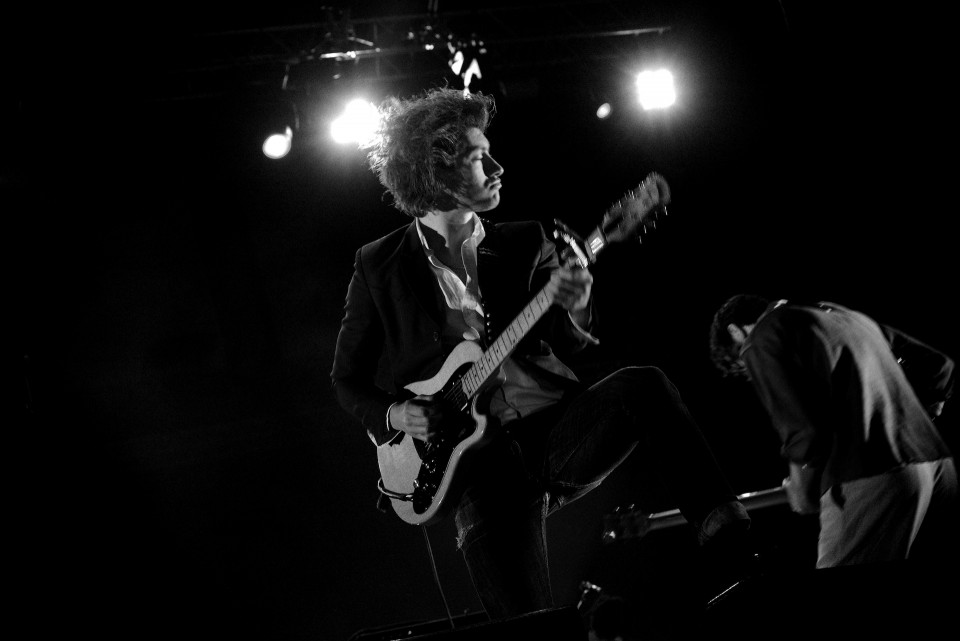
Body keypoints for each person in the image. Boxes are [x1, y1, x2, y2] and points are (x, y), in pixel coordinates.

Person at [330, 86, 757, 620]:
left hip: (556, 434)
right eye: (479, 157)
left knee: (644, 384)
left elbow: (569, 341)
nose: (498, 167)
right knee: (528, 631)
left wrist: (576, 307)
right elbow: (346, 380)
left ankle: (730, 539)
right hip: (476, 473)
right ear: (435, 171)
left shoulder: (526, 241)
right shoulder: (378, 264)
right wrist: (398, 414)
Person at [708, 294, 958, 569]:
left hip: (873, 473)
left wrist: (801, 487)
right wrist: (918, 413)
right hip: (937, 469)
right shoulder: (840, 314)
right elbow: (938, 365)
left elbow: (803, 432)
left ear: (735, 331)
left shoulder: (764, 334)